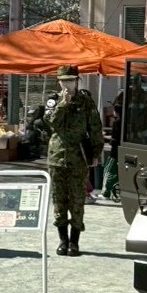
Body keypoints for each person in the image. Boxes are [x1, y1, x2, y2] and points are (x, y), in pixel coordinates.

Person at [46, 66, 103, 256]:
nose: (67, 84)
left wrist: (96, 153)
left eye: (70, 80)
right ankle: (63, 240)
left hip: (79, 157)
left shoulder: (85, 101)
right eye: (64, 81)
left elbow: (95, 128)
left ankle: (74, 241)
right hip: (57, 157)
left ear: (76, 81)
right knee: (59, 200)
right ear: (59, 81)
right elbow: (51, 123)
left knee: (77, 200)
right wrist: (63, 104)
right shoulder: (53, 100)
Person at [101, 96, 123, 199]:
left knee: (108, 171)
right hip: (121, 151)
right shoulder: (125, 122)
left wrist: (104, 137)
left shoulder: (116, 123)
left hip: (114, 153)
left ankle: (106, 192)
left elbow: (114, 139)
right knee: (116, 173)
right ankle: (113, 192)